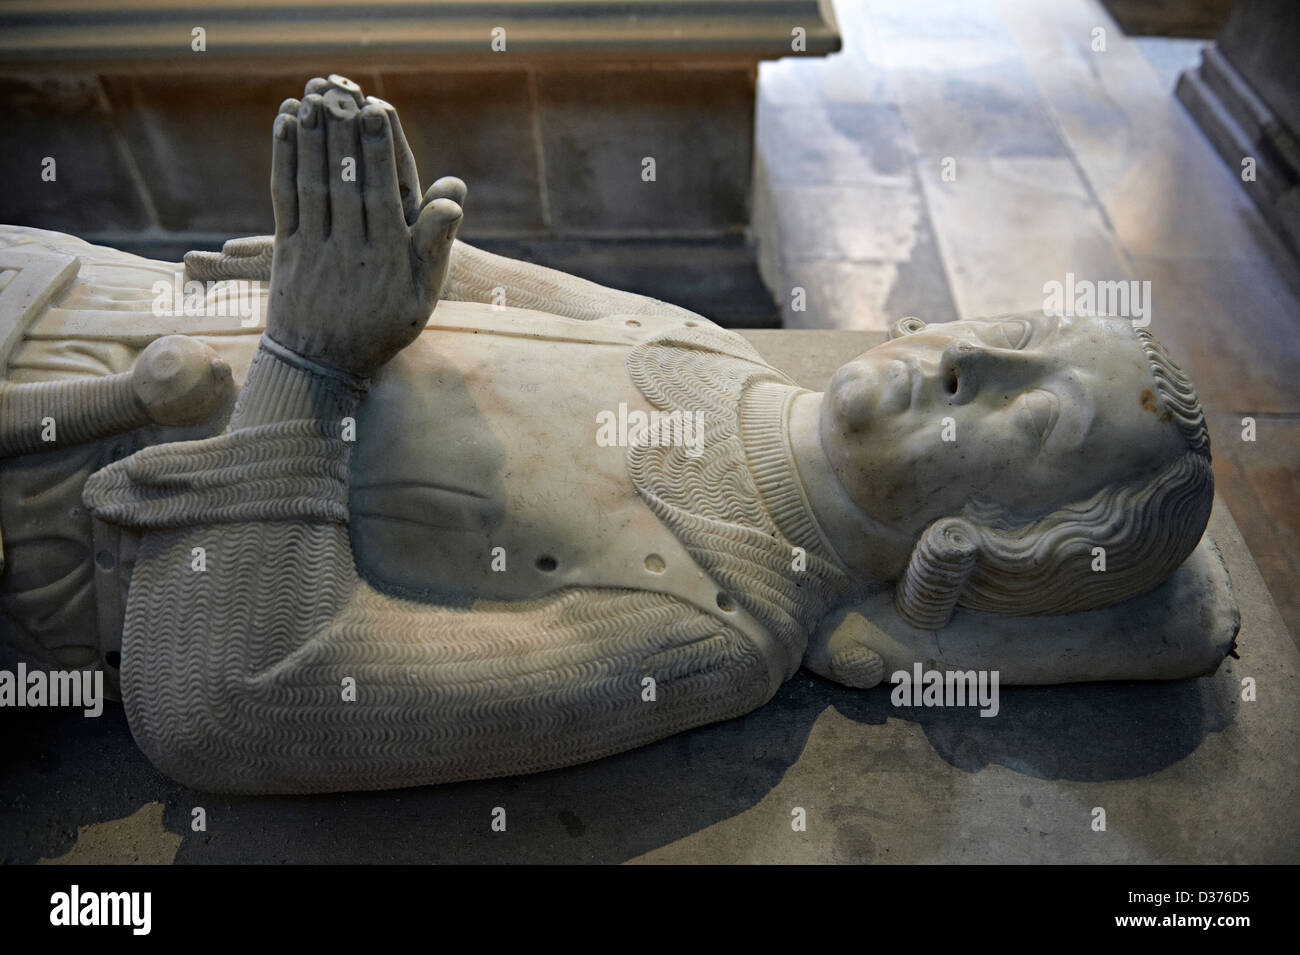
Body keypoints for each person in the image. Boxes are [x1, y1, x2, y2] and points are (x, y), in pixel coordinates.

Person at [1, 77, 1212, 793]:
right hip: (65, 295)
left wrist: (309, 360)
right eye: (1005, 331)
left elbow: (232, 707)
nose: (962, 361)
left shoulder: (712, 624)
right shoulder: (709, 351)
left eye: (1028, 416)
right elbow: (477, 282)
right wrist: (371, 240)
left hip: (44, 507)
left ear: (986, 543)